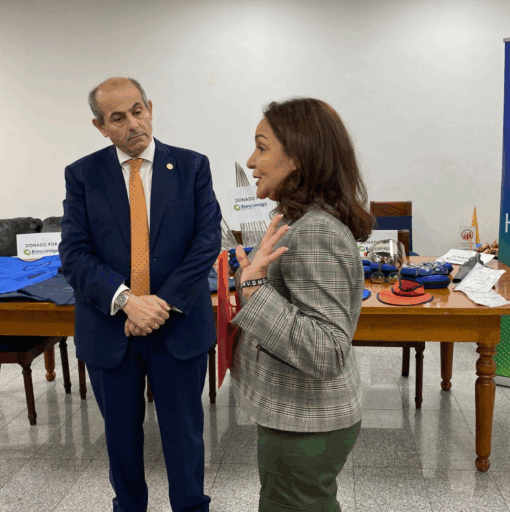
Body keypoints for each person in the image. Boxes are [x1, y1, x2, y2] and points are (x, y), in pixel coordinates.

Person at [59, 77, 221, 512]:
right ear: (100, 126)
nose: (132, 124)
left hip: (178, 326)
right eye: (117, 118)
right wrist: (128, 300)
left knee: (184, 435)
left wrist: (157, 304)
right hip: (111, 329)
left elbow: (206, 243)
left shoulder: (191, 166)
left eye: (137, 110)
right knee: (121, 440)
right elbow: (74, 254)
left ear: (150, 107)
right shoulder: (82, 175)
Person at [230, 98, 375, 512]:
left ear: (296, 159)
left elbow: (328, 349)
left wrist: (255, 290)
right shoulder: (302, 220)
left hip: (306, 423)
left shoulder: (315, 232)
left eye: (261, 147)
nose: (251, 160)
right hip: (299, 418)